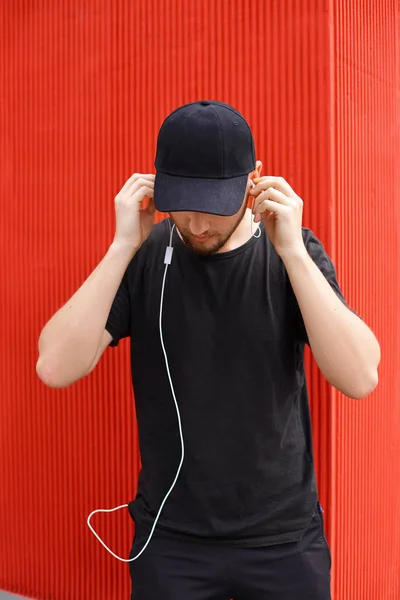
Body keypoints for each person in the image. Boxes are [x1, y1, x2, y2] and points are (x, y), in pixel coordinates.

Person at [36, 100, 380, 600]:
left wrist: (291, 253)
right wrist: (121, 247)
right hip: (172, 541)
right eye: (184, 204)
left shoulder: (292, 254)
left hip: (282, 541)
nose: (197, 226)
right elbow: (54, 366)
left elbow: (361, 378)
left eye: (213, 206)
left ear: (254, 181)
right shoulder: (148, 255)